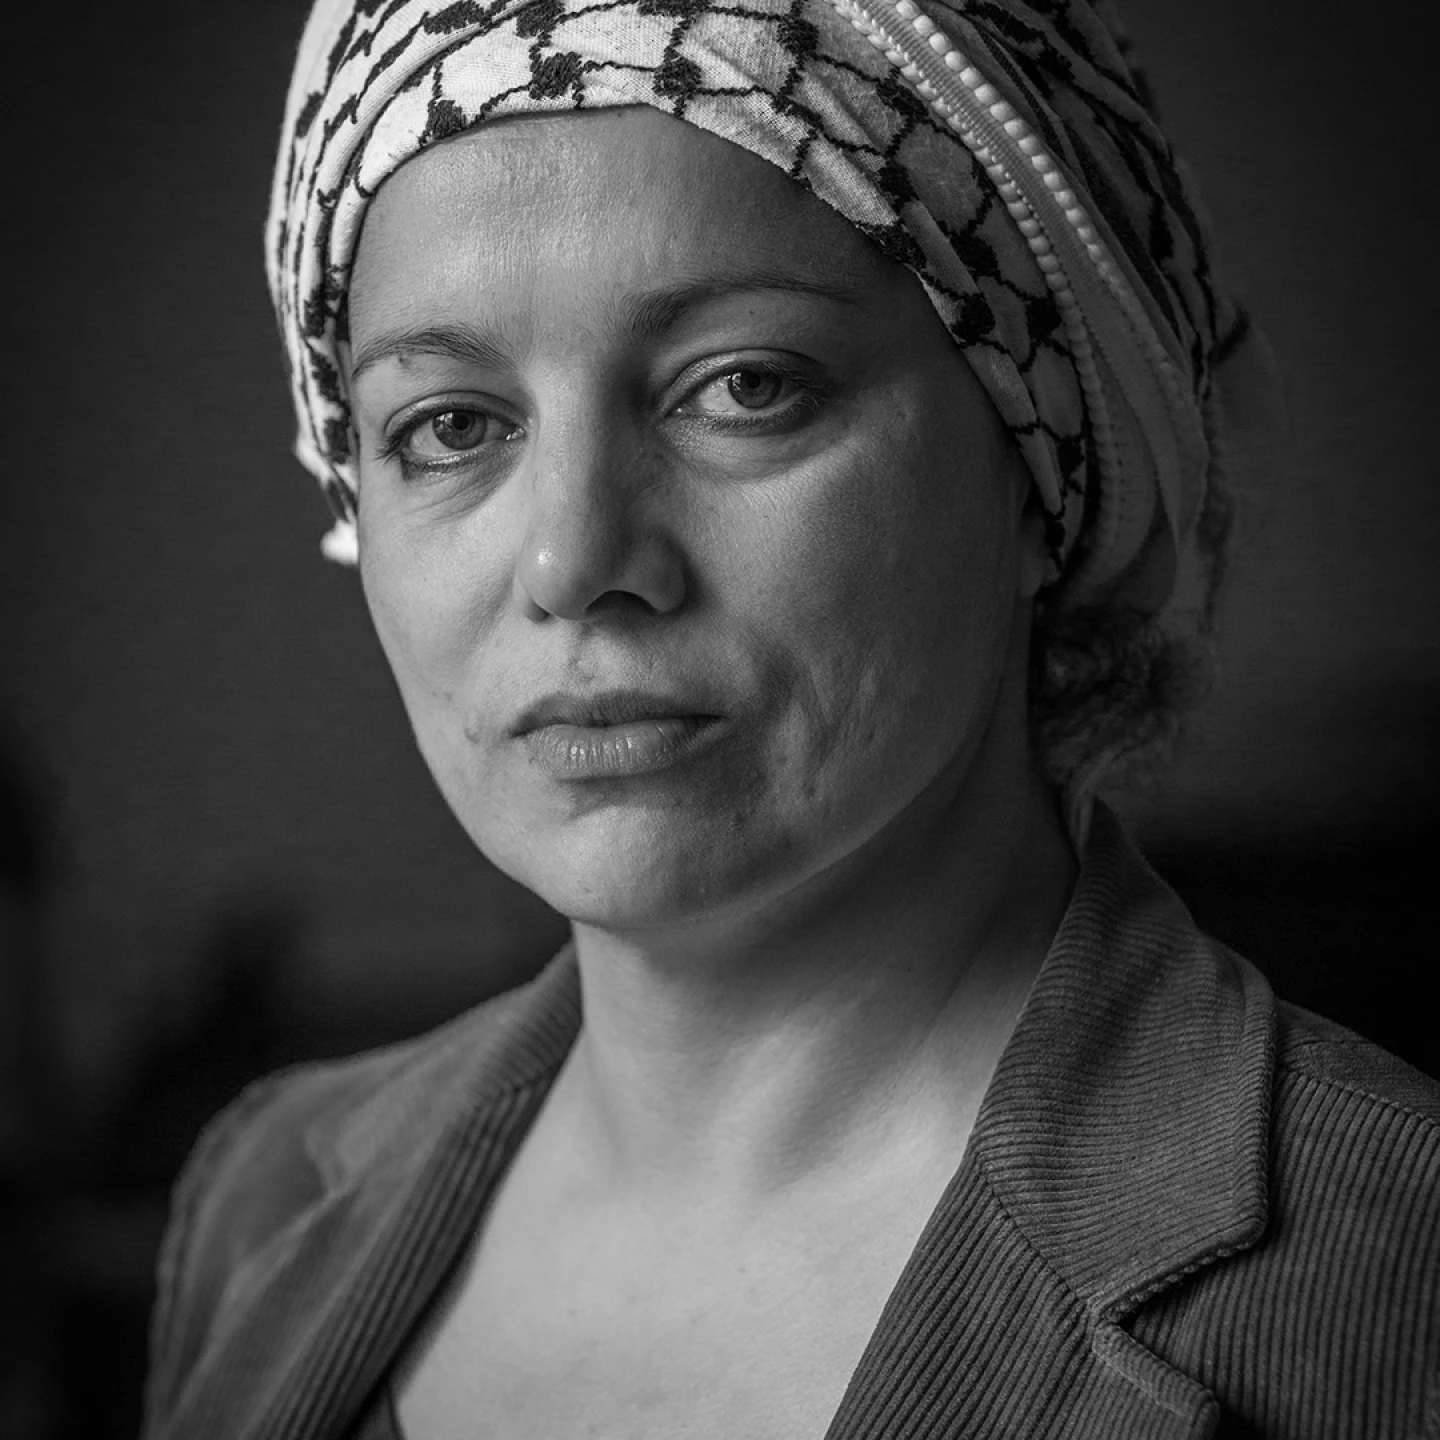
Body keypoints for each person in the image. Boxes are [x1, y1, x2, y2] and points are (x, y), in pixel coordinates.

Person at [140, 0, 1439, 1435]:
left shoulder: (1391, 1275)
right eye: (451, 425)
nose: (573, 560)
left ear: (1039, 474)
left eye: (744, 388)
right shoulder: (264, 1199)